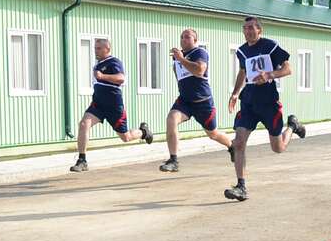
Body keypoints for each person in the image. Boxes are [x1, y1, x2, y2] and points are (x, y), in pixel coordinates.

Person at [222, 16, 307, 202]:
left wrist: (270, 74)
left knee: (278, 148)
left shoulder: (270, 46)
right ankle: (241, 186)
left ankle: (292, 126)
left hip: (268, 102)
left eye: (252, 28)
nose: (248, 31)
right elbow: (243, 72)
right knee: (238, 142)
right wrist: (235, 93)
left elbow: (288, 69)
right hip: (249, 102)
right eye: (245, 28)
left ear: (260, 30)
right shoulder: (242, 52)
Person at [69, 37, 151, 173]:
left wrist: (102, 76)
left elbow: (121, 78)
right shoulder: (97, 65)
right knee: (84, 124)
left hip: (114, 106)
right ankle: (82, 160)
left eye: (99, 48)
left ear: (107, 49)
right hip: (98, 105)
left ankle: (143, 132)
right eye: (95, 48)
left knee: (126, 137)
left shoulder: (114, 62)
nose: (96, 50)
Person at [159, 28, 233, 173]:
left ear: (195, 40)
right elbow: (178, 73)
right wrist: (179, 60)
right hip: (185, 100)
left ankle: (232, 146)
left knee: (213, 134)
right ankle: (173, 160)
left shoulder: (200, 53)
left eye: (187, 37)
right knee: (171, 119)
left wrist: (181, 59)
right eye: (181, 37)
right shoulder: (178, 56)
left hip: (202, 102)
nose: (183, 39)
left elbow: (199, 70)